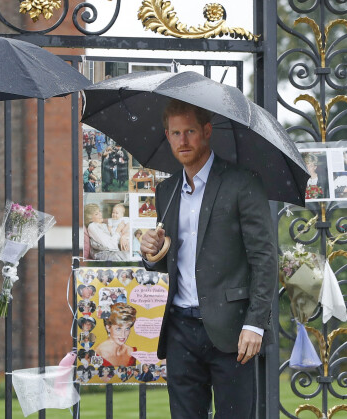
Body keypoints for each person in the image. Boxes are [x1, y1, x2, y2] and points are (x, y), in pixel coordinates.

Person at [140, 99, 276, 418]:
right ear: (167, 136)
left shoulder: (242, 182)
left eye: (189, 131)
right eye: (175, 133)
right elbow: (171, 261)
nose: (183, 140)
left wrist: (255, 324)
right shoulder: (166, 190)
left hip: (232, 331)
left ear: (207, 131)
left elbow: (265, 258)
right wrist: (151, 253)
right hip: (180, 330)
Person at [95, 303, 138, 367]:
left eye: (127, 328)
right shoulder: (97, 353)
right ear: (108, 328)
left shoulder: (131, 352)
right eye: (118, 329)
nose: (123, 335)